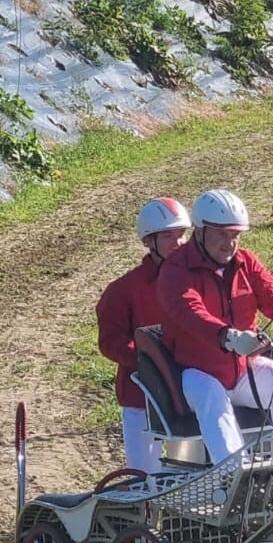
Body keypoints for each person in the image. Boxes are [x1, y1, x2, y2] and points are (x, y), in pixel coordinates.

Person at [156, 188, 273, 465]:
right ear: (201, 231)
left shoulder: (246, 262)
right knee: (211, 394)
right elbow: (190, 313)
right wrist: (227, 337)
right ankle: (234, 472)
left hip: (240, 371)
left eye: (235, 236)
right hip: (195, 374)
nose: (229, 244)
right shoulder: (175, 270)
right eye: (222, 235)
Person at [96, 197, 191, 473]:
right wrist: (151, 361)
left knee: (186, 477)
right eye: (168, 236)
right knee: (142, 477)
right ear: (150, 241)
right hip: (141, 398)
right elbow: (109, 342)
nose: (179, 243)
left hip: (186, 398)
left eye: (182, 235)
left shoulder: (196, 282)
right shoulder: (123, 290)